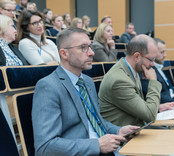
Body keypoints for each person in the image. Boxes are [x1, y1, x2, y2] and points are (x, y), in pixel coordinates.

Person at [32, 27, 139, 156]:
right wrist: (97, 145)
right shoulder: (48, 86)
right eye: (83, 47)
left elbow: (96, 121)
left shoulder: (87, 81)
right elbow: (45, 147)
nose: (91, 53)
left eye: (90, 46)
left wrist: (119, 131)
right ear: (64, 53)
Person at [99, 34, 174, 127]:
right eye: (151, 59)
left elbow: (138, 106)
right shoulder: (119, 80)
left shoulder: (132, 70)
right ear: (137, 57)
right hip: (127, 138)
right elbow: (150, 115)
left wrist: (158, 108)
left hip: (137, 128)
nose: (153, 64)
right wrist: (153, 81)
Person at [141, 38, 174, 104]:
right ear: (152, 52)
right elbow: (158, 97)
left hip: (173, 101)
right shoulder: (148, 71)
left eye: (165, 52)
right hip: (168, 106)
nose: (165, 55)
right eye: (162, 52)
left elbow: (165, 91)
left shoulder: (159, 67)